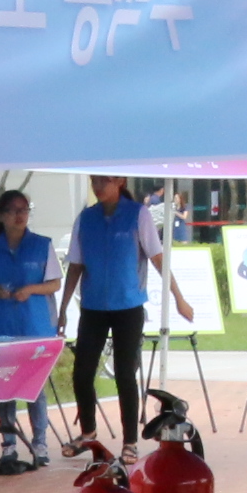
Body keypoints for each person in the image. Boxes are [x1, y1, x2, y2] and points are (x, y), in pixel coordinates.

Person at [60, 175, 189, 456]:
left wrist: (179, 298)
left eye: (104, 181)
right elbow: (75, 265)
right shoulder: (86, 218)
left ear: (119, 181)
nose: (97, 187)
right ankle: (87, 433)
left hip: (128, 306)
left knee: (124, 374)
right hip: (93, 306)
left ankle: (130, 442)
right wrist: (63, 309)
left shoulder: (137, 214)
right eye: (94, 181)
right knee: (82, 372)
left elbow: (157, 259)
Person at [0, 186, 57, 467]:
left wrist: (31, 289)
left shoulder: (42, 245)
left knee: (35, 387)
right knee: (5, 385)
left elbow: (54, 283)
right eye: (12, 211)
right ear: (0, 216)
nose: (19, 216)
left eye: (24, 210)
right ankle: (8, 443)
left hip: (35, 324)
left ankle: (40, 443)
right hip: (1, 324)